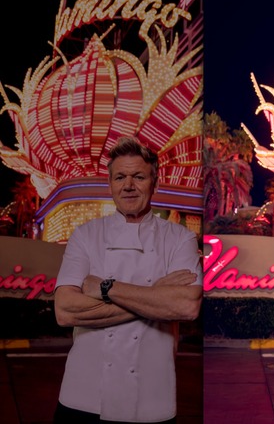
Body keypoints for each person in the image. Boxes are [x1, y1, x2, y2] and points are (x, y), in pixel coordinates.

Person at [53, 136, 202, 424]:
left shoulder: (179, 238)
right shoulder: (85, 235)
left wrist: (106, 288)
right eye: (120, 177)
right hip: (83, 393)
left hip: (151, 395)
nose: (128, 185)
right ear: (110, 185)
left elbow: (186, 307)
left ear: (154, 183)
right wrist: (155, 294)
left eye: (139, 176)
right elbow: (65, 310)